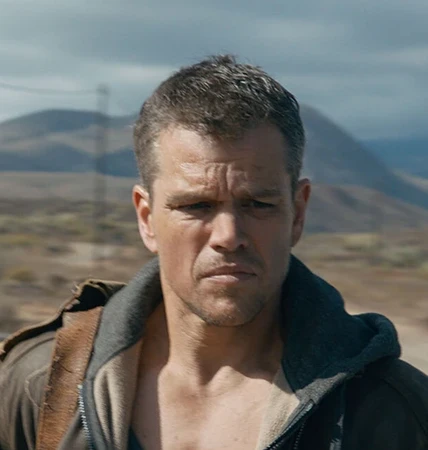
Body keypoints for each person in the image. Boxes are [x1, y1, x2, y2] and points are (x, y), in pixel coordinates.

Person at [0, 55, 427, 450]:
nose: (228, 235)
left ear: (298, 213)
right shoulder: (43, 384)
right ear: (146, 218)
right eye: (196, 206)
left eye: (258, 204)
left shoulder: (391, 413)